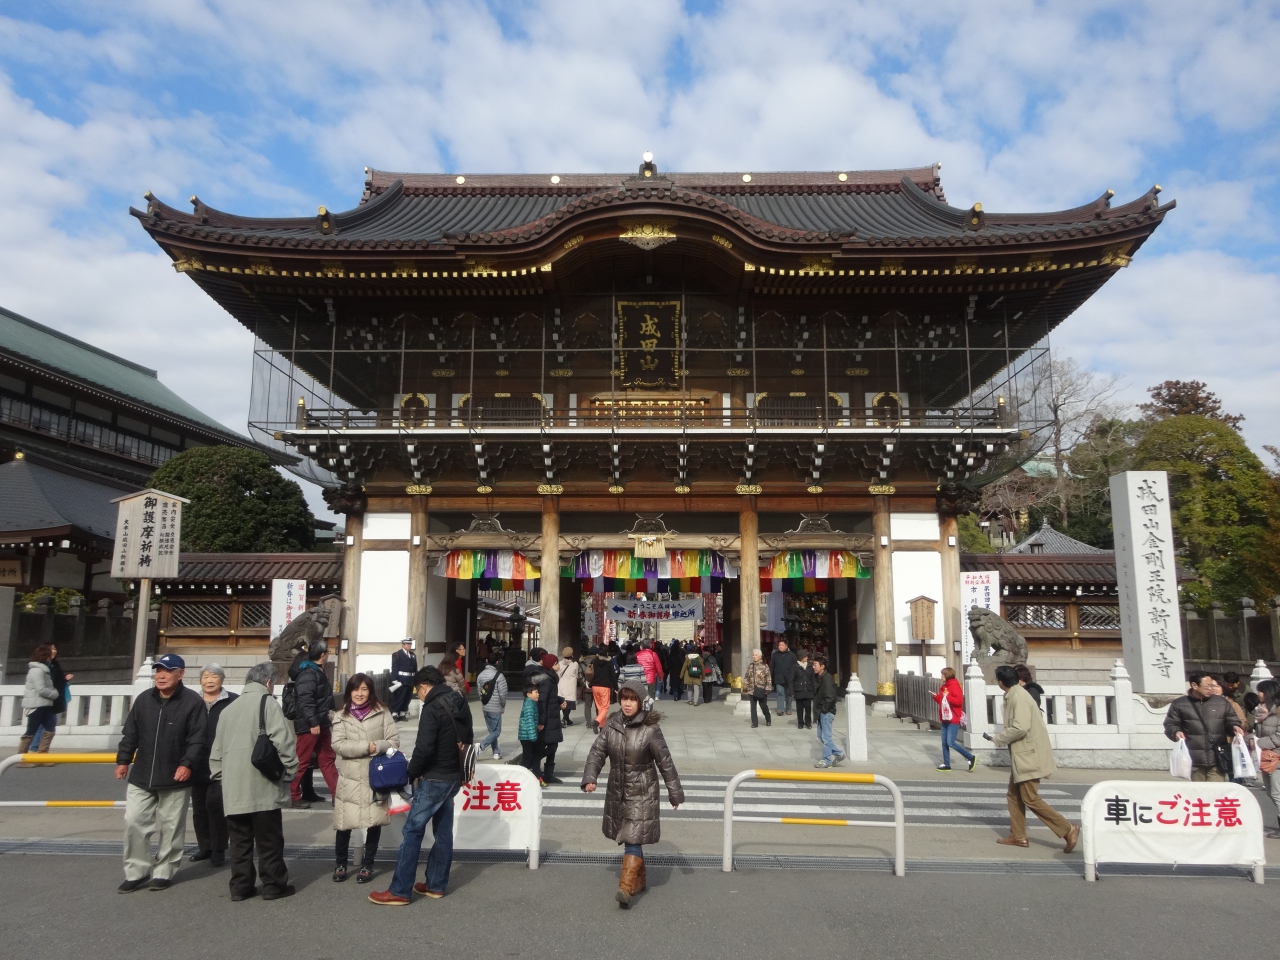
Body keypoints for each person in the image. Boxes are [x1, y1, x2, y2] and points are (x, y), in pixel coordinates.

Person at [369, 665, 474, 905]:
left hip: (434, 777)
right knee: (443, 833)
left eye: (418, 691)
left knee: (412, 831)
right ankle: (436, 884)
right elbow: (468, 739)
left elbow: (424, 748)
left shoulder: (432, 707)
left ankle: (400, 890)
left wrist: (411, 773)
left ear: (425, 686)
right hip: (454, 776)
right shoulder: (460, 701)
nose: (419, 695)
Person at [581, 679, 685, 908]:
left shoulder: (650, 729)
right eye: (624, 699)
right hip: (618, 790)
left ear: (640, 702)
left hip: (642, 792)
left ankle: (625, 888)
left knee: (631, 837)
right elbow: (597, 752)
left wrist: (675, 793)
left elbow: (665, 762)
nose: (627, 704)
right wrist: (590, 777)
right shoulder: (612, 724)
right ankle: (639, 880)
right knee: (632, 836)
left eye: (632, 699)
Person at [114, 653, 208, 893]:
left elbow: (198, 739)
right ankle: (137, 871)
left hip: (175, 776)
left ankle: (164, 871)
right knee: (133, 822)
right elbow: (130, 733)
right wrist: (123, 760)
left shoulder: (192, 702)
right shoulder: (144, 699)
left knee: (171, 827)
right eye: (158, 671)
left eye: (167, 671)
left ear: (181, 674)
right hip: (142, 775)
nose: (161, 676)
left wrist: (187, 764)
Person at [210, 661, 299, 901]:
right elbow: (283, 741)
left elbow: (216, 753)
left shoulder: (228, 709)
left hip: (233, 788)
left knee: (239, 841)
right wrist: (290, 770)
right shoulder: (267, 703)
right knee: (269, 840)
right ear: (268, 682)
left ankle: (241, 887)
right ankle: (273, 885)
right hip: (263, 785)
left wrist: (222, 778)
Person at [988, 664, 1078, 852]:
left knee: (1030, 798)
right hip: (1023, 755)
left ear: (1001, 682)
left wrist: (999, 739)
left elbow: (1020, 728)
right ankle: (1018, 835)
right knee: (1014, 795)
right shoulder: (1015, 694)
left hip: (1028, 755)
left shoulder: (1019, 697)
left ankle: (1068, 829)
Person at [331, 672, 400, 883]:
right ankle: (340, 864)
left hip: (375, 776)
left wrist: (376, 746)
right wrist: (365, 747)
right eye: (355, 689)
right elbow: (338, 745)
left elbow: (394, 741)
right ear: (349, 691)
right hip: (350, 777)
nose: (359, 693)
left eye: (364, 689)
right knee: (344, 823)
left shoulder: (382, 712)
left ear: (370, 691)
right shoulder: (340, 715)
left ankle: (367, 865)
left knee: (373, 822)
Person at [189, 664, 238, 866]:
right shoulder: (192, 701)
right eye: (205, 677)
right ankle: (205, 846)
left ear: (222, 679)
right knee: (199, 808)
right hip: (196, 761)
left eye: (214, 676)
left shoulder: (233, 701)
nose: (209, 681)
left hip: (222, 762)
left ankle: (219, 848)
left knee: (216, 806)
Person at [1163, 670, 1244, 782]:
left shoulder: (1221, 702)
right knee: (1199, 791)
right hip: (1194, 759)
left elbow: (1231, 719)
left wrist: (1235, 726)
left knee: (1217, 790)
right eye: (1207, 686)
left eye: (1212, 685)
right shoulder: (1179, 704)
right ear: (1194, 685)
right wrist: (1175, 732)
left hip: (1217, 757)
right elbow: (1170, 724)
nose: (1211, 689)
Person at [289, 641, 339, 808]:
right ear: (323, 655)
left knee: (328, 758)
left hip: (321, 723)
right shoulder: (308, 673)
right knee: (302, 760)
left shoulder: (315, 671)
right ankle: (293, 795)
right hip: (310, 725)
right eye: (328, 652)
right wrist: (313, 722)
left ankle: (337, 794)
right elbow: (305, 700)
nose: (328, 654)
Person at [524, 652, 564, 783]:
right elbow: (542, 701)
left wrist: (560, 700)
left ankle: (547, 773)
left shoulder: (550, 678)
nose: (559, 666)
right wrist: (541, 721)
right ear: (552, 664)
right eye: (557, 663)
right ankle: (534, 766)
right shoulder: (547, 680)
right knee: (549, 746)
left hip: (552, 717)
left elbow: (550, 697)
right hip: (547, 719)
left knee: (553, 745)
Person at [19, 644, 60, 765]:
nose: (50, 657)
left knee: (50, 729)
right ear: (44, 656)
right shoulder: (37, 670)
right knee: (31, 731)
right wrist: (54, 694)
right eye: (48, 655)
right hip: (36, 705)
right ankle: (21, 759)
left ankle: (42, 756)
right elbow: (41, 689)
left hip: (45, 705)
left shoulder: (43, 669)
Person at [932, 666, 976, 772]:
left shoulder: (954, 686)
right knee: (944, 742)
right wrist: (936, 697)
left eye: (943, 674)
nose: (941, 676)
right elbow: (943, 702)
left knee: (950, 742)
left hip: (953, 718)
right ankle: (946, 764)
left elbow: (958, 701)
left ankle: (970, 757)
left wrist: (947, 696)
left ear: (947, 675)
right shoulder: (945, 686)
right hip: (945, 718)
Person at [1253, 680, 1280, 839]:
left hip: (1276, 756)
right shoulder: (1262, 711)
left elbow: (1278, 737)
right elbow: (1258, 732)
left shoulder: (1278, 711)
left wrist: (1258, 743)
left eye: (1261, 691)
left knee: (1277, 793)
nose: (1258, 694)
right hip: (1266, 756)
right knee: (1271, 792)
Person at [812, 656, 846, 768]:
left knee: (826, 737)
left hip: (826, 711)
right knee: (820, 736)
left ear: (822, 666)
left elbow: (830, 697)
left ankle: (827, 760)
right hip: (821, 711)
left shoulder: (827, 678)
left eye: (815, 665)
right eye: (813, 665)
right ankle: (839, 754)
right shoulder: (819, 677)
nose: (813, 667)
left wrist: (824, 709)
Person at [476, 651, 508, 760]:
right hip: (496, 707)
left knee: (492, 731)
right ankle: (481, 746)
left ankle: (496, 752)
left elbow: (480, 691)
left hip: (486, 706)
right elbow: (503, 693)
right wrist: (502, 704)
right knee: (496, 731)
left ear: (486, 661)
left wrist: (483, 701)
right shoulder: (499, 676)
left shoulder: (480, 675)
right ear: (497, 662)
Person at [588, 643, 617, 733]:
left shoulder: (595, 661)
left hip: (595, 686)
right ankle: (596, 722)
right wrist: (616, 687)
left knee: (600, 707)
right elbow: (613, 676)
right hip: (605, 687)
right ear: (606, 652)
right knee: (605, 707)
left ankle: (601, 726)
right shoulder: (609, 662)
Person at [741, 649, 772, 728]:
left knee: (763, 705)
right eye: (753, 655)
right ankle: (754, 723)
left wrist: (768, 689)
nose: (754, 656)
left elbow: (768, 678)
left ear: (760, 656)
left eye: (756, 655)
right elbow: (746, 677)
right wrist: (745, 687)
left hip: (761, 689)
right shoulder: (750, 666)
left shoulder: (765, 666)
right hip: (752, 689)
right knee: (753, 707)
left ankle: (768, 718)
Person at [518, 679, 542, 778]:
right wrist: (533, 736)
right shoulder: (529, 704)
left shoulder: (531, 703)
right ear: (528, 694)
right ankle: (520, 776)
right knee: (527, 758)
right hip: (527, 736)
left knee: (535, 755)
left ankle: (536, 775)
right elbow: (529, 721)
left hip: (528, 735)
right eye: (536, 692)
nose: (538, 694)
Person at [390, 639, 417, 720]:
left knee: (407, 697)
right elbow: (394, 667)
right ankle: (395, 713)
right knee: (400, 697)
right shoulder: (397, 654)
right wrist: (395, 679)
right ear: (403, 645)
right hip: (401, 679)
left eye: (410, 644)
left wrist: (415, 678)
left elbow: (415, 668)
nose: (409, 646)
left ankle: (402, 713)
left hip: (410, 679)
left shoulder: (412, 655)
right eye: (407, 644)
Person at [770, 639, 798, 717]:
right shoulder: (775, 655)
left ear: (786, 646)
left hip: (789, 678)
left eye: (782, 645)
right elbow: (772, 666)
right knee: (780, 693)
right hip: (778, 677)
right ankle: (780, 709)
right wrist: (771, 677)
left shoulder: (792, 655)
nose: (780, 647)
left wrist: (795, 677)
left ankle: (788, 709)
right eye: (779, 645)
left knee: (789, 694)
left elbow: (795, 667)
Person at [557, 647, 582, 725]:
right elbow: (576, 674)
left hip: (561, 685)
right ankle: (564, 719)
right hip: (571, 685)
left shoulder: (559, 663)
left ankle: (566, 719)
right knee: (569, 702)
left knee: (563, 701)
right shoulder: (575, 664)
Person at [792, 648, 816, 730]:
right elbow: (791, 680)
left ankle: (808, 722)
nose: (807, 658)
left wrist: (814, 689)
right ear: (801, 657)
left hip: (808, 690)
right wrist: (791, 691)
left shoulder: (809, 666)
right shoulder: (795, 667)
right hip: (799, 690)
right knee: (799, 708)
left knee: (808, 708)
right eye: (805, 656)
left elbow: (813, 678)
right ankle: (800, 723)